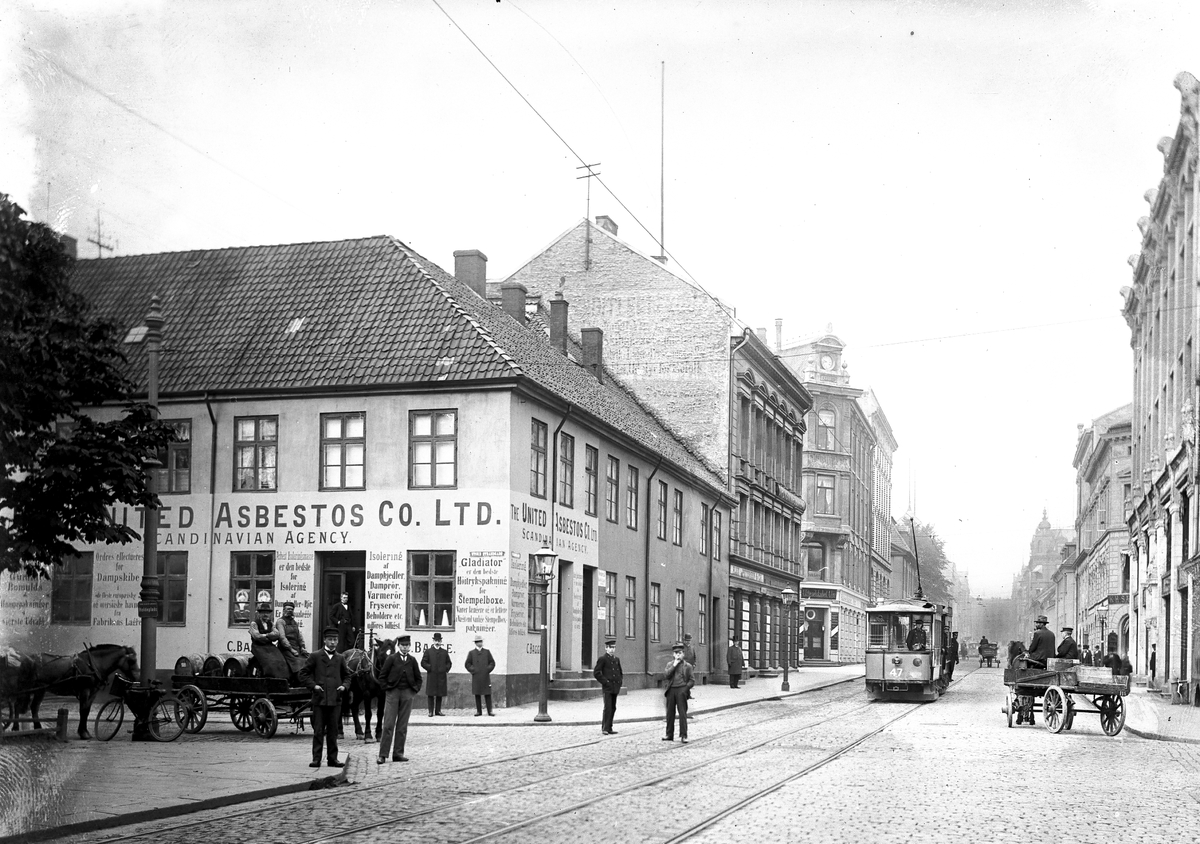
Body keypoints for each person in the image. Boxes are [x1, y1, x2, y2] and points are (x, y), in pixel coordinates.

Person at [299, 627, 349, 768]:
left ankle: (333, 759)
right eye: (330, 640)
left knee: (333, 731)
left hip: (335, 700)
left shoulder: (340, 658)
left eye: (335, 640)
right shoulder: (315, 656)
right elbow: (303, 674)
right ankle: (316, 759)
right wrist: (313, 686)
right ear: (324, 640)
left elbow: (347, 676)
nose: (333, 643)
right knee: (319, 731)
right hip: (320, 700)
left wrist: (344, 686)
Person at [377, 634, 422, 764]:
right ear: (399, 646)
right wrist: (388, 689)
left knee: (402, 726)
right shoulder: (391, 659)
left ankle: (398, 754)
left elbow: (418, 678)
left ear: (410, 646)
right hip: (393, 694)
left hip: (407, 694)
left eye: (407, 645)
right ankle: (383, 755)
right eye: (402, 645)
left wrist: (414, 690)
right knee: (388, 725)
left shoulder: (412, 660)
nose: (405, 648)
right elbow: (382, 676)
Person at [662, 641, 694, 743]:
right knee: (670, 714)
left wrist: (685, 689)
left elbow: (692, 680)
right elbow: (666, 675)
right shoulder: (669, 664)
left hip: (681, 690)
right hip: (671, 690)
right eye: (676, 653)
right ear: (673, 654)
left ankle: (683, 735)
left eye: (680, 653)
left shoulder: (688, 666)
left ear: (683, 654)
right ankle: (669, 734)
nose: (678, 655)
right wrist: (674, 665)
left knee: (682, 714)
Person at [250, 603, 288, 680]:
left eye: (267, 613)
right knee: (268, 662)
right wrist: (269, 636)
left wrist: (265, 636)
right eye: (263, 612)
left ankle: (283, 679)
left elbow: (277, 634)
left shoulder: (271, 623)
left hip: (269, 646)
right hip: (258, 647)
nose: (265, 614)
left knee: (280, 659)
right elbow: (257, 636)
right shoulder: (254, 624)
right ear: (259, 614)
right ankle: (270, 679)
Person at [593, 638, 623, 735]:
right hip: (608, 687)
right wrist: (605, 682)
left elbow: (619, 672)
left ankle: (610, 727)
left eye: (614, 647)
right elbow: (597, 673)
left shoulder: (616, 659)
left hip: (615, 687)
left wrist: (619, 682)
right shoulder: (603, 659)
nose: (612, 649)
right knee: (608, 707)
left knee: (613, 707)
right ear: (606, 648)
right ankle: (605, 728)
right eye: (610, 647)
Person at [274, 601, 309, 685]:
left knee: (309, 659)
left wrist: (302, 647)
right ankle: (297, 682)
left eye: (291, 609)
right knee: (297, 662)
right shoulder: (280, 622)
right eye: (288, 609)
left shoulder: (294, 622)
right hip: (285, 649)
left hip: (296, 647)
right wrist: (291, 649)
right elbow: (282, 637)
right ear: (283, 610)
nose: (290, 611)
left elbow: (299, 636)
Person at [420, 632, 452, 717]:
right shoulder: (428, 651)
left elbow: (449, 663)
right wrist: (429, 668)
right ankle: (430, 711)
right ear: (433, 641)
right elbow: (423, 662)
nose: (437, 642)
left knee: (439, 694)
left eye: (439, 640)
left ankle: (438, 711)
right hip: (432, 675)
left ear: (441, 641)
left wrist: (445, 669)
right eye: (436, 640)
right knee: (431, 694)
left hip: (441, 676)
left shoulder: (444, 652)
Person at [465, 634, 496, 716]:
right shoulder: (472, 653)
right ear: (475, 643)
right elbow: (467, 664)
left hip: (485, 676)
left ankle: (490, 711)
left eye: (481, 641)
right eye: (478, 642)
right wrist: (473, 670)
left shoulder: (487, 652)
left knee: (487, 694)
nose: (480, 643)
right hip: (476, 677)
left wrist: (487, 669)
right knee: (477, 694)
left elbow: (492, 663)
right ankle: (479, 711)